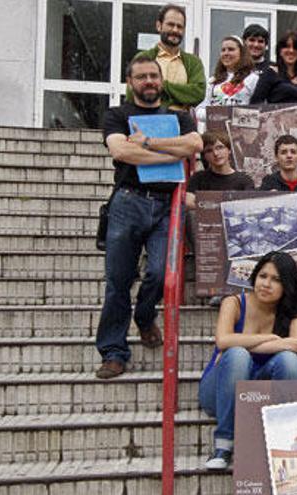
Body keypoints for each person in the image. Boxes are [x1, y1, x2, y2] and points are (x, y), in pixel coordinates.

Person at [95, 56, 202, 379]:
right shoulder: (117, 115)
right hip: (128, 203)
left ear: (161, 80)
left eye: (154, 75)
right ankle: (113, 352)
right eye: (142, 77)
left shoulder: (178, 117)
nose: (149, 81)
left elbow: (195, 144)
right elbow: (121, 152)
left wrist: (149, 143)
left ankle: (143, 316)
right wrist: (171, 152)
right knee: (118, 281)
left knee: (160, 272)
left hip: (167, 204)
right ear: (131, 82)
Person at [198, 252, 297, 469]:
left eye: (276, 280)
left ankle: (277, 437)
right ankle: (223, 446)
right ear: (254, 277)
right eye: (262, 276)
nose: (266, 284)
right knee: (238, 354)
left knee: (290, 361)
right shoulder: (234, 303)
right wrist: (269, 338)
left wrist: (244, 341)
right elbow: (223, 341)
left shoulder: (291, 312)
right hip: (219, 393)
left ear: (287, 285)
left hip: (258, 392)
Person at [126, 4, 205, 112]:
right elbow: (132, 93)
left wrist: (163, 86)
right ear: (159, 26)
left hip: (181, 124)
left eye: (179, 26)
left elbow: (198, 94)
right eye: (170, 24)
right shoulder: (143, 58)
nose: (175, 30)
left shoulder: (193, 62)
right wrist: (181, 95)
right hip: (146, 119)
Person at [195, 36, 259, 125]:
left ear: (242, 53)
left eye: (231, 49)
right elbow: (199, 110)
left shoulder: (253, 79)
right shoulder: (213, 81)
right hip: (215, 134)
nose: (226, 53)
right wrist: (218, 115)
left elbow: (259, 112)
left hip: (243, 133)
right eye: (223, 50)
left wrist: (230, 116)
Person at [186, 130, 255, 209]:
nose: (215, 153)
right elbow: (188, 202)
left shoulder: (244, 180)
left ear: (229, 150)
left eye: (220, 147)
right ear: (204, 156)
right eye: (209, 150)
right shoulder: (198, 178)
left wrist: (210, 206)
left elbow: (249, 206)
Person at [251, 31, 297, 105]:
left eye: (295, 47)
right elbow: (256, 103)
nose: (291, 50)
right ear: (280, 51)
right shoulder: (270, 73)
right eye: (287, 47)